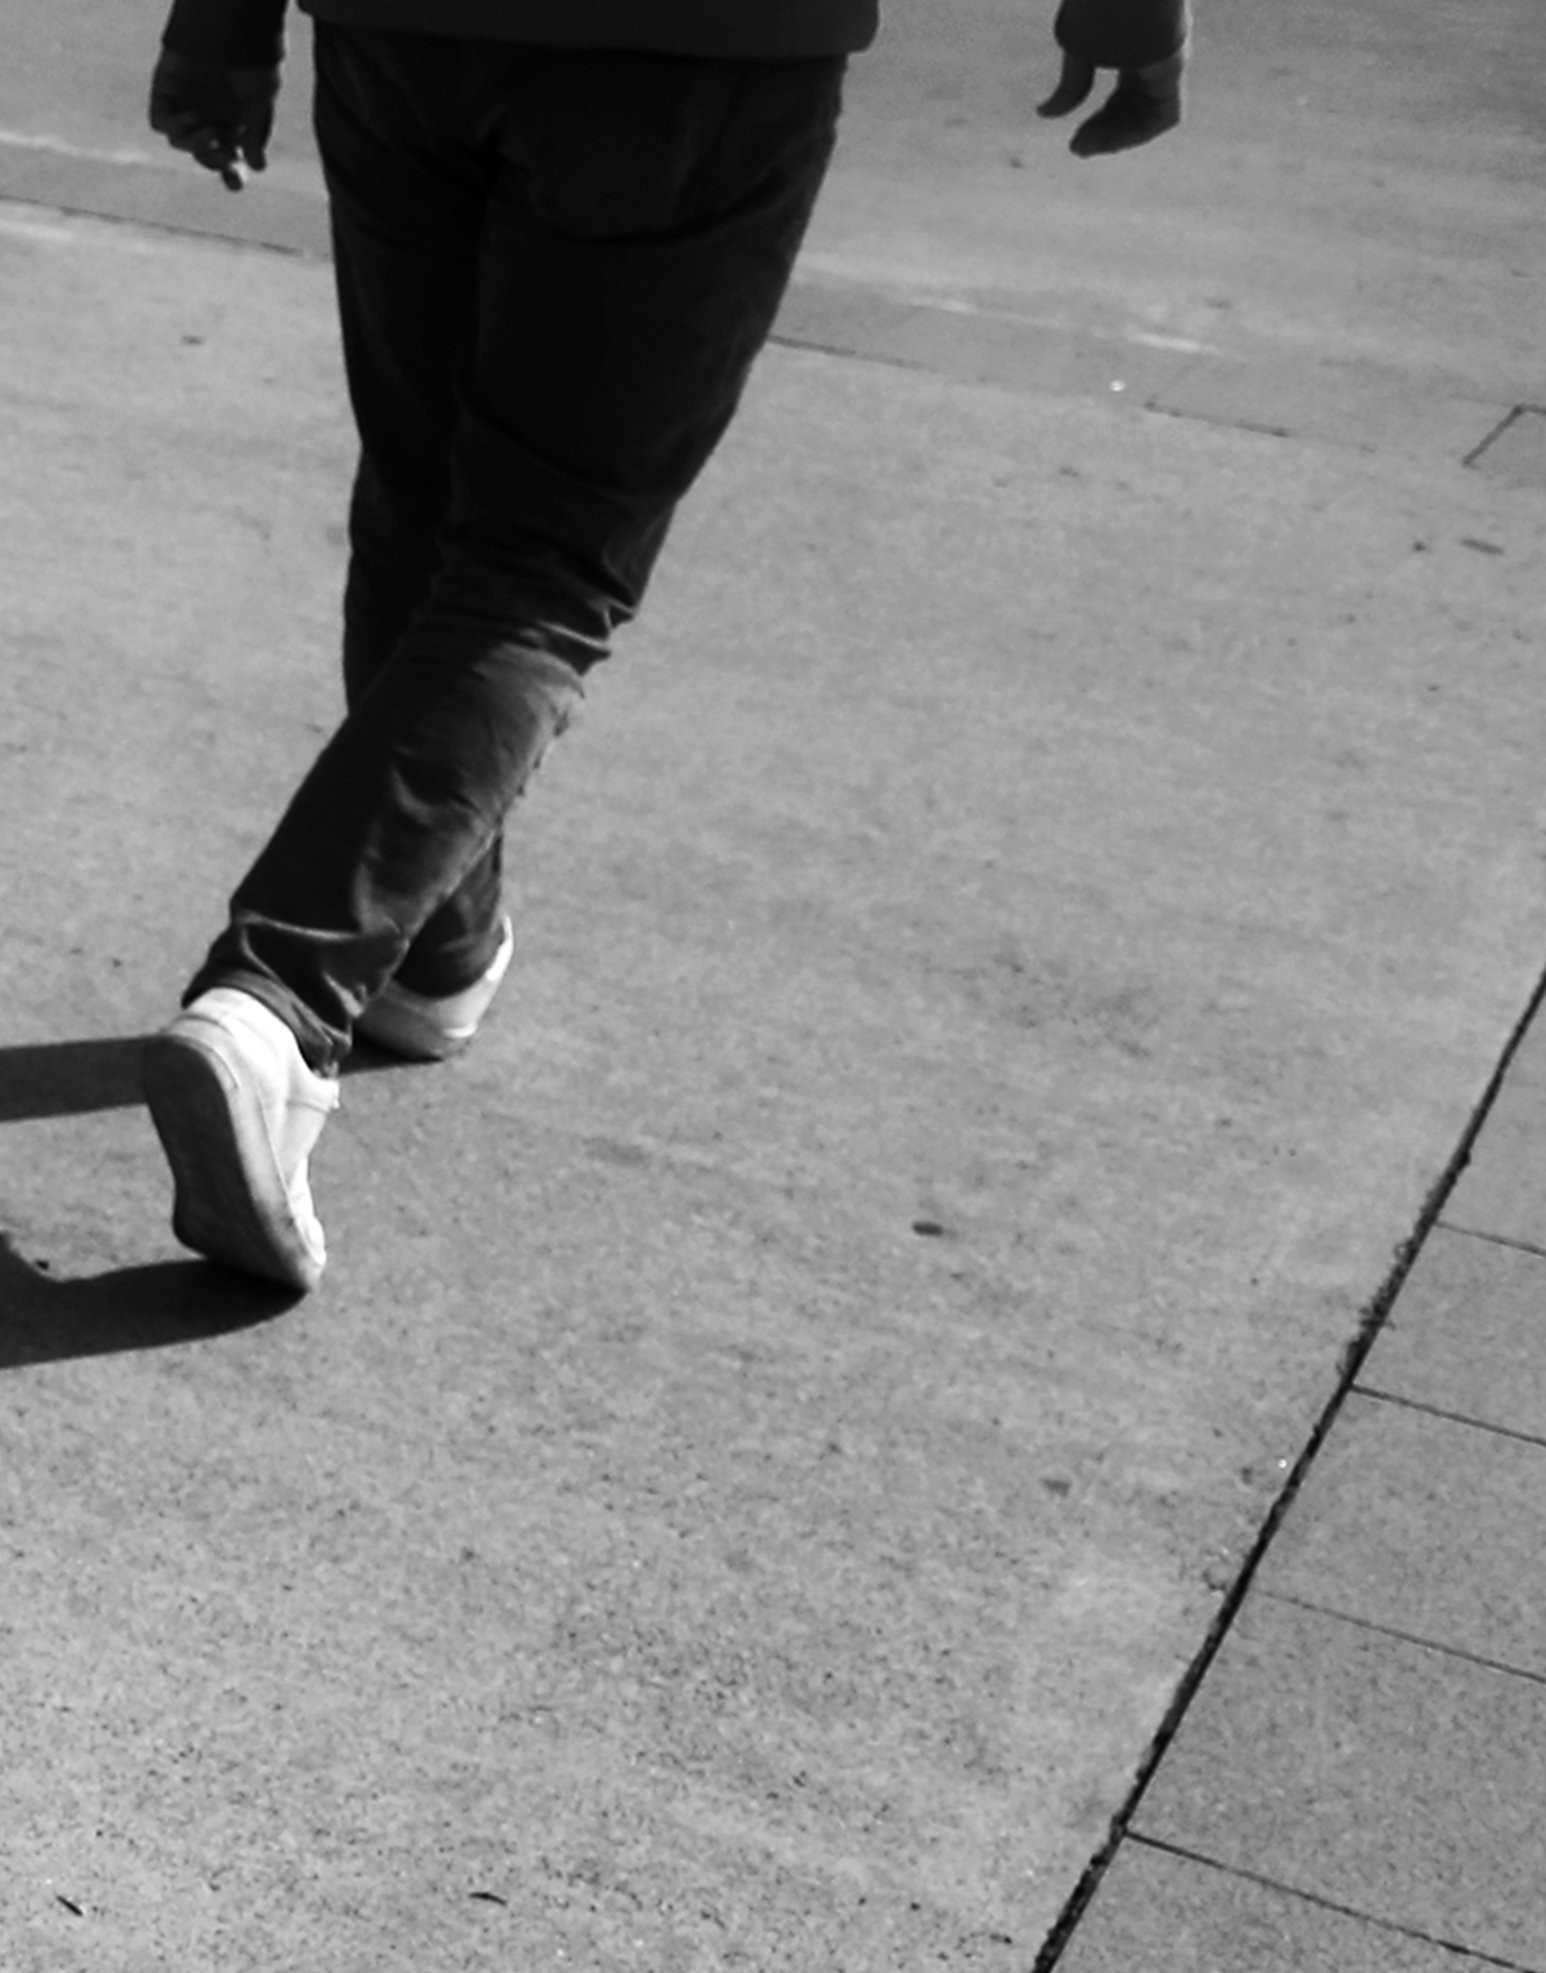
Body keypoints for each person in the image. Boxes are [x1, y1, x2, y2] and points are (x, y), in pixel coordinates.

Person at [129, 0, 1184, 1291]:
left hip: (403, 36)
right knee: (540, 563)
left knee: (424, 500)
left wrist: (224, 20)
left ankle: (431, 948)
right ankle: (280, 1000)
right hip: (694, 56)